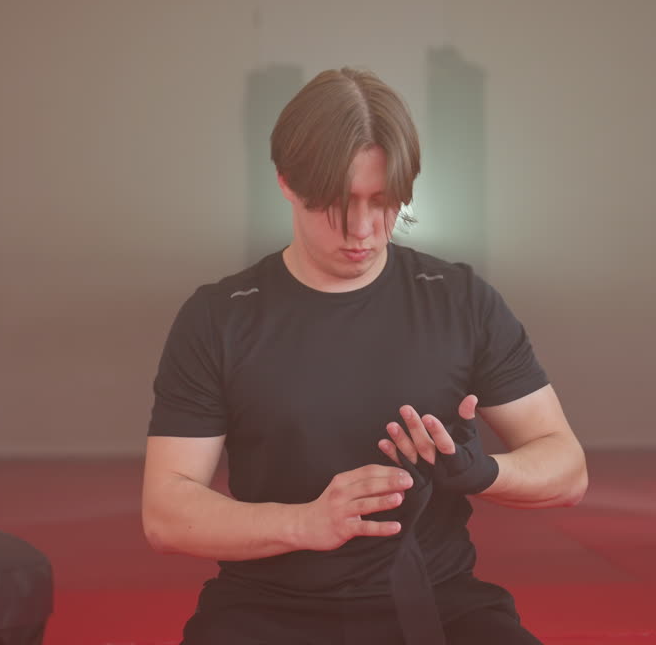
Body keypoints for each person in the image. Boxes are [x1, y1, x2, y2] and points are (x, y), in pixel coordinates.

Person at [142, 67, 587, 644]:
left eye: (383, 201)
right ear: (285, 182)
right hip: (267, 609)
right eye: (336, 202)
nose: (362, 229)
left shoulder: (459, 301)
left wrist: (484, 473)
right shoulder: (219, 317)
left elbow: (568, 469)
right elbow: (165, 512)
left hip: (438, 600)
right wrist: (304, 522)